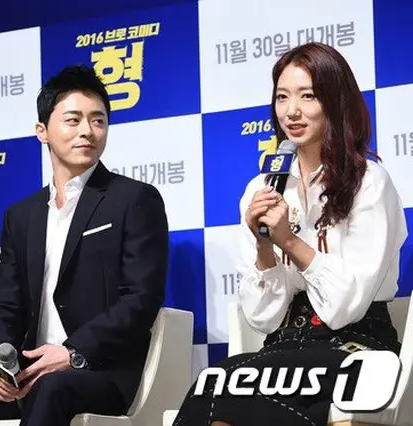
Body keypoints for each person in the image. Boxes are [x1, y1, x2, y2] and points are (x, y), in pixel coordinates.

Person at [0, 64, 169, 426]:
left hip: (99, 372)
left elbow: (141, 300)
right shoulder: (22, 215)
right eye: (73, 120)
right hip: (29, 372)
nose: (87, 131)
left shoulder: (134, 199)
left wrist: (73, 352)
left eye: (98, 120)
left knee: (52, 388)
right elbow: (5, 303)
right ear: (42, 131)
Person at [172, 42, 408, 426]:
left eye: (307, 96)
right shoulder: (262, 188)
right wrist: (265, 244)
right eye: (282, 97)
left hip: (355, 344)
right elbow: (261, 317)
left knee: (238, 392)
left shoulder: (369, 182)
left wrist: (290, 241)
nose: (291, 111)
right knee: (211, 385)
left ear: (335, 101)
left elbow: (345, 307)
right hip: (282, 345)